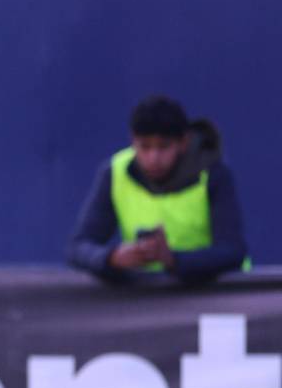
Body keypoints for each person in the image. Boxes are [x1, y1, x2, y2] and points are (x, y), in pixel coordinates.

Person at [68, 96, 248, 285]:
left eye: (164, 146)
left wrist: (173, 260)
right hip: (147, 297)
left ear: (183, 142)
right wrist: (111, 258)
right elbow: (78, 247)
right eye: (144, 146)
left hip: (213, 295)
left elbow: (232, 251)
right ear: (133, 141)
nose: (153, 158)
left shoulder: (213, 174)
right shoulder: (113, 173)